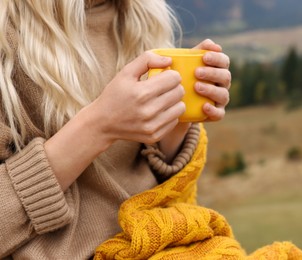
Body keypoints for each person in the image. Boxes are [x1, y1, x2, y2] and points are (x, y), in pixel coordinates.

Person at [0, 0, 231, 259]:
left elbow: (152, 187)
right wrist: (99, 126)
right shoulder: (6, 33)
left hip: (158, 243)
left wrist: (175, 119)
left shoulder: (143, 17)